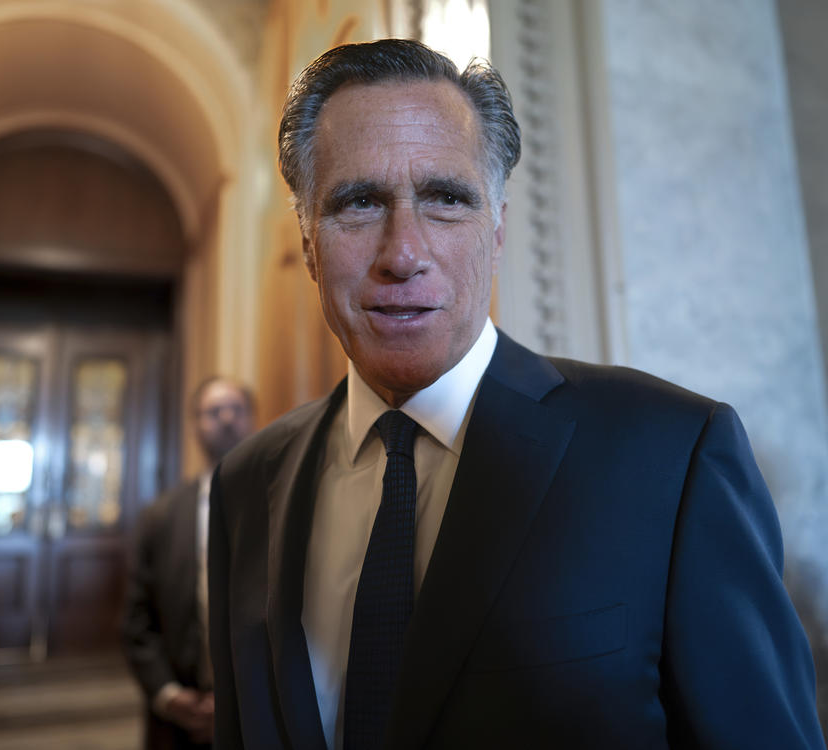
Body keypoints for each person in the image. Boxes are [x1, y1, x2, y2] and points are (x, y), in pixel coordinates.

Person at [207, 38, 825, 750]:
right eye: (358, 202)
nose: (403, 253)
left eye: (446, 199)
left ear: (496, 229)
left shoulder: (673, 455)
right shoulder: (247, 486)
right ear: (308, 240)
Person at [123, 376, 255, 750]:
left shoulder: (280, 505)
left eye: (237, 409)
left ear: (253, 420)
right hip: (178, 716)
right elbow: (137, 620)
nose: (227, 418)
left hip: (259, 713)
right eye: (214, 411)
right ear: (195, 424)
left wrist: (238, 699)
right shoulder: (159, 517)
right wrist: (168, 695)